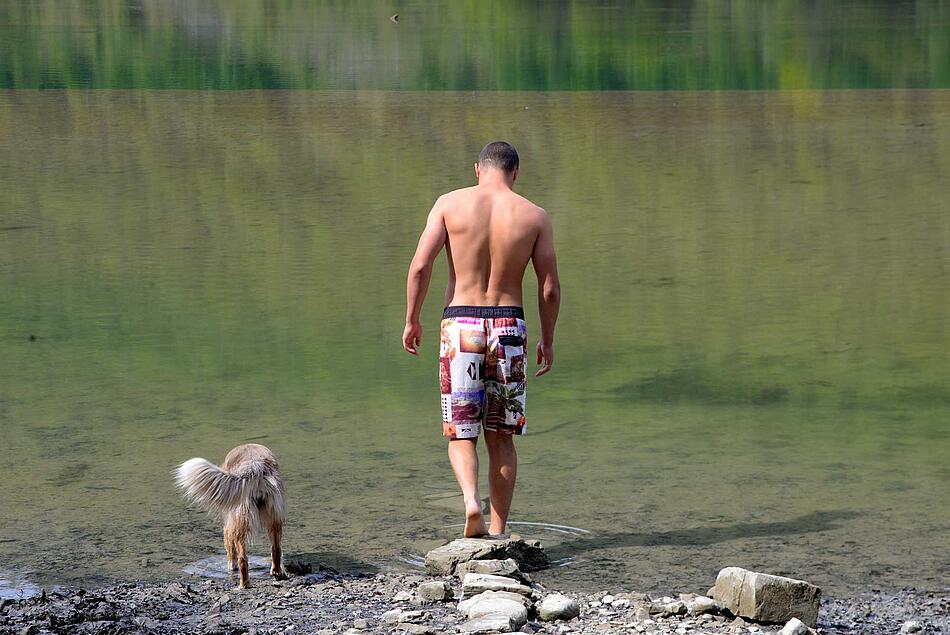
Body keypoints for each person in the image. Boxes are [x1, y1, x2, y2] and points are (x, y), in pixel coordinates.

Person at [402, 141, 560, 538]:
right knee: (501, 435)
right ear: (516, 172)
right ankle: (499, 528)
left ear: (477, 169)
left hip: (460, 323)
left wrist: (412, 319)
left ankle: (471, 501)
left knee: (461, 430)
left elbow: (421, 266)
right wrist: (548, 339)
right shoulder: (534, 216)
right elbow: (549, 289)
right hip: (509, 327)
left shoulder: (449, 204)